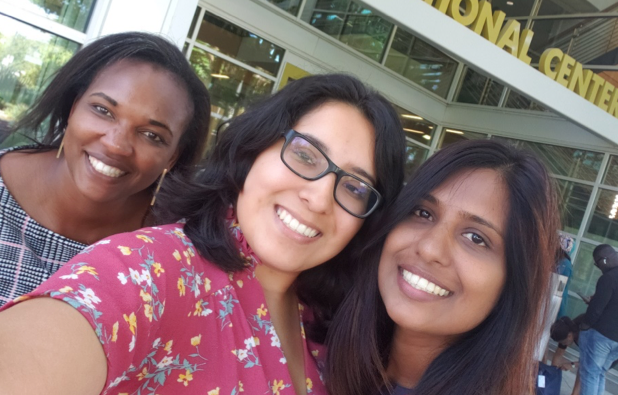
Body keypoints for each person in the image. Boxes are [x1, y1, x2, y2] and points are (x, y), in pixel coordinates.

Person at [0, 73, 406, 395]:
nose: (320, 198)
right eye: (304, 155)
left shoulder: (328, 323)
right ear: (254, 150)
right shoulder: (150, 270)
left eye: (354, 187)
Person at [325, 139, 561, 395]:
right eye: (423, 213)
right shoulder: (314, 348)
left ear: (513, 284)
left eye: (475, 238)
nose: (429, 249)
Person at [0, 32, 211, 306]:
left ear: (173, 157)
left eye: (152, 135)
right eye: (103, 110)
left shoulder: (170, 253)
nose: (116, 145)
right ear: (74, 107)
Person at [578, 244, 618, 395]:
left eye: (597, 263)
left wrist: (584, 326)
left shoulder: (608, 278)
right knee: (600, 373)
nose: (598, 267)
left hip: (603, 335)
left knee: (589, 374)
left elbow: (596, 310)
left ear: (604, 260)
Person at [550, 315, 585, 395]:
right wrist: (552, 375)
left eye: (563, 342)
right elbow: (558, 354)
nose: (563, 344)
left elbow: (589, 362)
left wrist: (572, 365)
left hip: (609, 349)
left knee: (588, 372)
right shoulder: (567, 329)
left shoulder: (583, 335)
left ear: (569, 336)